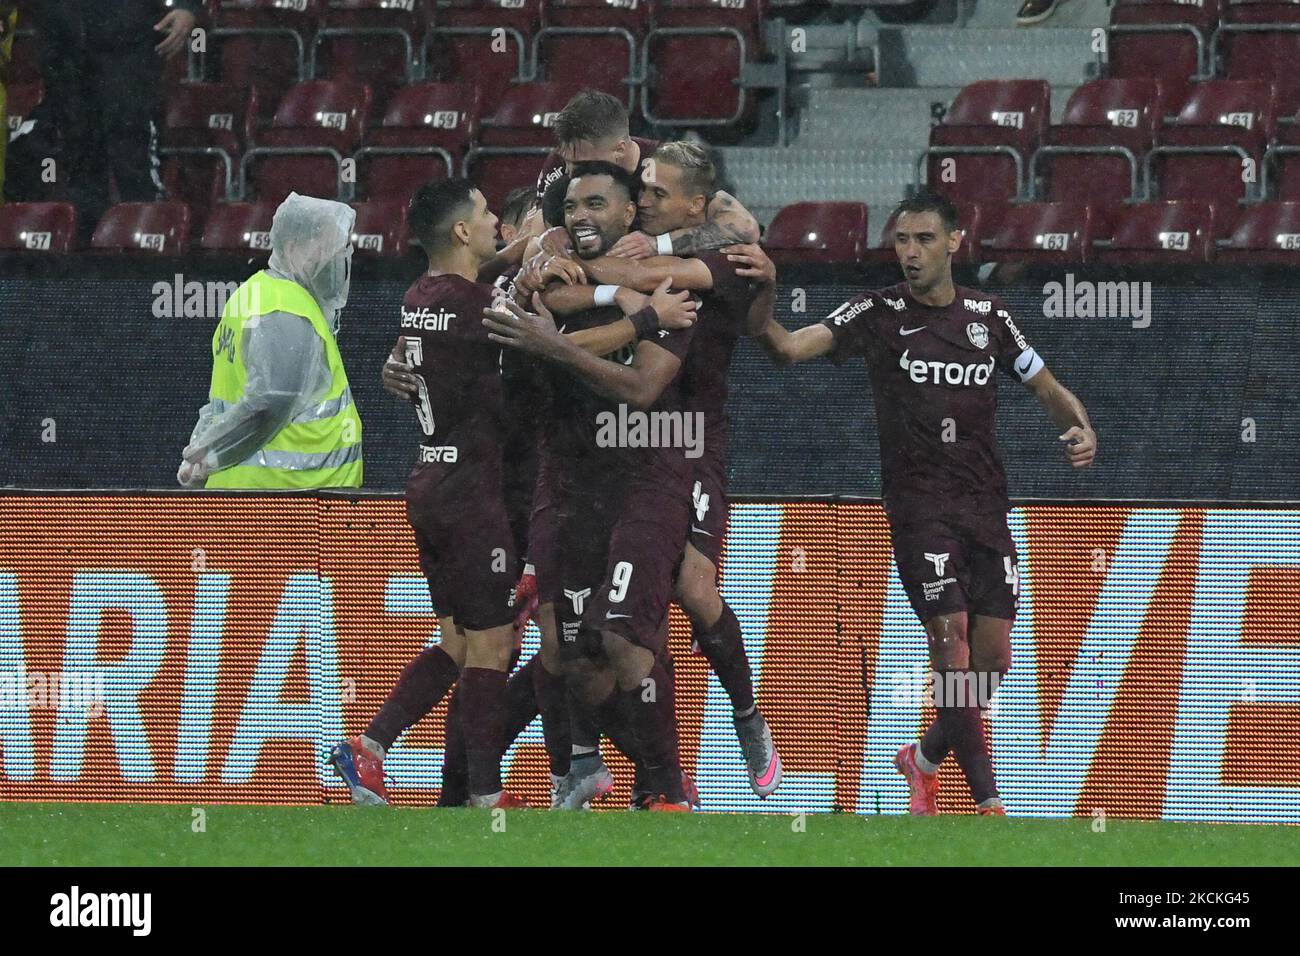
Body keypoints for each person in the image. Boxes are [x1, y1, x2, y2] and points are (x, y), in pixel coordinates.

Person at [739, 190, 1098, 815]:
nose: (910, 252)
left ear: (955, 242)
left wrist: (1081, 426)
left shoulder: (990, 316)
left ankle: (924, 757)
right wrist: (755, 304)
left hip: (986, 505)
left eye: (925, 239)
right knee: (948, 633)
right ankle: (988, 801)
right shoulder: (877, 312)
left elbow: (1045, 384)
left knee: (991, 658)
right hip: (918, 505)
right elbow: (791, 349)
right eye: (902, 240)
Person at [524, 141, 783, 799]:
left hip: (690, 441)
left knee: (694, 589)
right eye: (640, 191)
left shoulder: (717, 256)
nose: (644, 202)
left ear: (696, 205)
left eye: (658, 194)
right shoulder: (636, 247)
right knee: (616, 629)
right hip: (624, 450)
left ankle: (747, 716)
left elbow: (748, 323)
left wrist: (575, 264)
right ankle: (646, 777)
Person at [484, 161, 704, 811]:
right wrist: (627, 309)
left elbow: (639, 388)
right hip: (566, 478)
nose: (581, 216)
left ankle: (662, 789)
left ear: (629, 214)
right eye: (573, 206)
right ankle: (632, 772)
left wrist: (582, 331)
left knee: (628, 640)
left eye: (597, 204)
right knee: (571, 655)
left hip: (643, 479)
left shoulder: (673, 284)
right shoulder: (555, 269)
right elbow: (535, 306)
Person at [179, 192, 362, 489]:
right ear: (292, 248)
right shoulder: (285, 308)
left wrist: (204, 450)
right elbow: (267, 404)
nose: (336, 258)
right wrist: (209, 456)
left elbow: (223, 401)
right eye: (328, 247)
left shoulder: (254, 293)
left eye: (341, 249)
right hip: (286, 500)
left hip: (262, 493)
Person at [8, 1, 201, 235]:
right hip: (65, 48)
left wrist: (187, 6)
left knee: (131, 152)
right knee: (79, 159)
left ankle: (151, 245)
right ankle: (88, 249)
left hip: (126, 46)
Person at [534, 88, 761, 257]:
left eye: (581, 164)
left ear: (620, 149)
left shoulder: (665, 165)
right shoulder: (562, 160)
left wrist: (656, 245)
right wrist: (549, 235)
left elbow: (744, 226)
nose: (570, 172)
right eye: (567, 161)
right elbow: (532, 235)